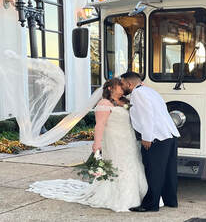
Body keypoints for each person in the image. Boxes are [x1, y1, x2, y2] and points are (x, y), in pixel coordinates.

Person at [27, 78, 148, 212]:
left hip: (129, 140)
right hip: (115, 141)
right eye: (119, 85)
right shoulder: (104, 103)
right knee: (120, 166)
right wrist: (97, 144)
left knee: (133, 163)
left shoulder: (124, 102)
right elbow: (100, 125)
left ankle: (140, 195)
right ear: (110, 88)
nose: (122, 88)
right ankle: (124, 198)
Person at [120, 72, 180, 212]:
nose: (122, 87)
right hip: (169, 135)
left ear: (129, 84)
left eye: (122, 83)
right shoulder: (150, 91)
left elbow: (147, 116)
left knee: (154, 171)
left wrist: (147, 137)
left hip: (156, 137)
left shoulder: (138, 93)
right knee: (169, 170)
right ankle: (171, 200)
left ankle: (150, 205)